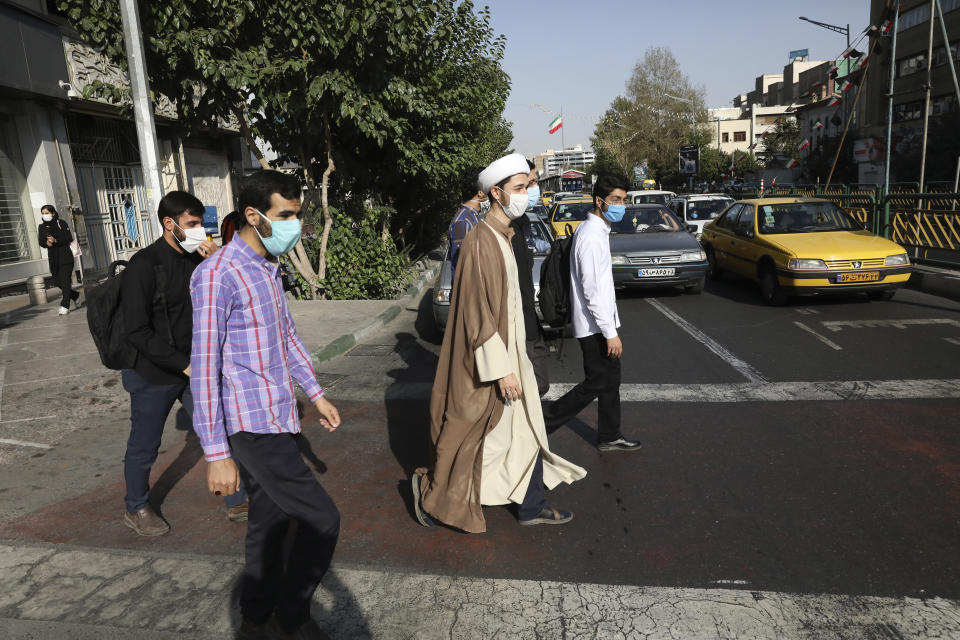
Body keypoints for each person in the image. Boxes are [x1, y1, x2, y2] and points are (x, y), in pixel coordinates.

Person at [190, 170, 342, 640]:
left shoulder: (266, 269)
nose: (294, 225)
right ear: (253, 215)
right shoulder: (217, 275)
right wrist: (216, 454)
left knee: (270, 519)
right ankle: (292, 613)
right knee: (321, 519)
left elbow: (287, 338)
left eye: (298, 215)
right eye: (286, 215)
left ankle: (255, 613)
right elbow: (203, 366)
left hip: (279, 415)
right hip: (250, 425)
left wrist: (314, 393)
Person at [412, 153, 586, 534]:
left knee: (520, 431)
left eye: (528, 187)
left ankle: (530, 504)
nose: (527, 194)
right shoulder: (480, 240)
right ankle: (435, 495)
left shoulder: (504, 236)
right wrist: (502, 369)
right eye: (519, 188)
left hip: (514, 355)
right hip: (497, 361)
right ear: (496, 192)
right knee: (472, 433)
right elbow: (478, 313)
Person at [120, 191, 247, 537]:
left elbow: (231, 299)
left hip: (196, 369)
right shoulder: (143, 265)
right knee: (145, 445)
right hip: (153, 373)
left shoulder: (201, 259)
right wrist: (183, 364)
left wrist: (221, 261)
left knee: (218, 430)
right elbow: (136, 330)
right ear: (169, 224)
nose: (200, 232)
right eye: (191, 225)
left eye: (202, 224)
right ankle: (136, 507)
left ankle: (235, 497)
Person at [544, 174, 641, 452]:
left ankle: (610, 435)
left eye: (623, 200)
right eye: (615, 200)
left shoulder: (598, 232)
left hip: (601, 325)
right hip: (594, 328)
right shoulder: (590, 237)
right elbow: (591, 291)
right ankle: (544, 422)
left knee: (610, 382)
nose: (621, 205)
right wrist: (610, 334)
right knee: (596, 383)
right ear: (600, 201)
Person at [509, 159, 549, 397]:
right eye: (524, 185)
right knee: (535, 385)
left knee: (537, 385)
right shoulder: (503, 230)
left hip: (528, 319)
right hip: (516, 324)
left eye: (533, 183)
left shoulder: (523, 223)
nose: (531, 191)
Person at [38, 205, 80, 315]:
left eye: (47, 213)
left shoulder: (61, 223)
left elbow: (68, 238)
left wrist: (56, 240)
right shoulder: (42, 227)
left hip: (65, 256)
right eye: (43, 213)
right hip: (53, 258)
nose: (44, 215)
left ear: (53, 213)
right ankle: (75, 295)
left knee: (65, 281)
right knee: (58, 282)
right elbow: (41, 242)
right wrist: (46, 243)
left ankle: (65, 305)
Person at [447, 166, 487, 277]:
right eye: (489, 188)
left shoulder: (473, 216)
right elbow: (462, 265)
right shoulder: (463, 221)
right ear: (480, 192)